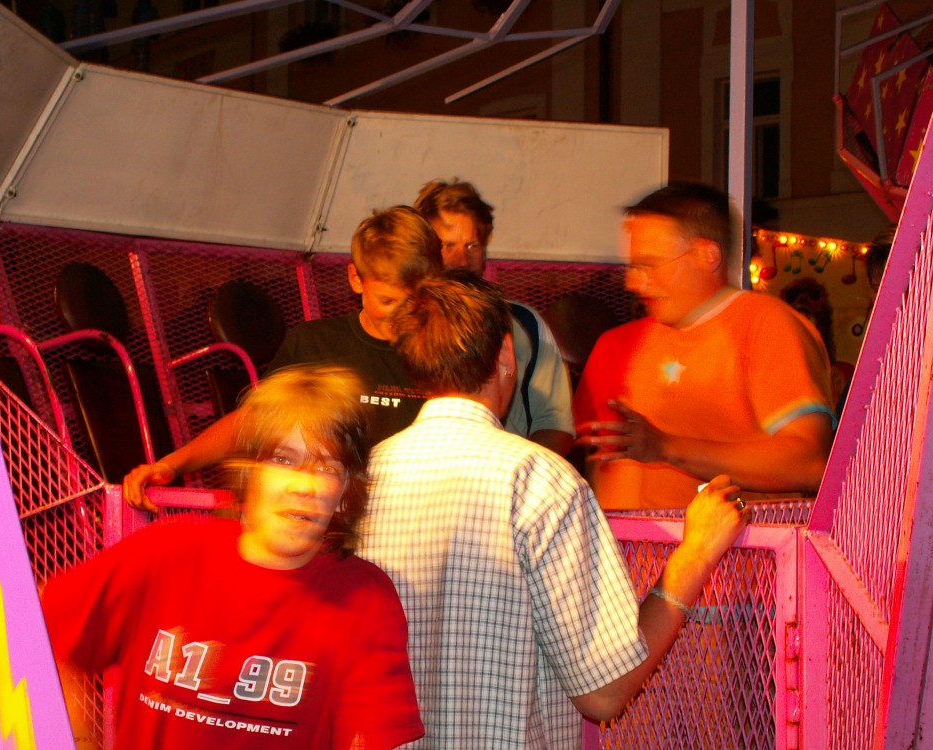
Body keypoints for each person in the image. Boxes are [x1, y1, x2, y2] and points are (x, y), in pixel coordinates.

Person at [358, 272, 749, 747]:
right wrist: (697, 552)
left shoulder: (363, 478)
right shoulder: (539, 479)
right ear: (506, 354)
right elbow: (604, 692)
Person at [42, 365, 424, 750]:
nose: (303, 486)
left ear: (344, 493)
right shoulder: (167, 551)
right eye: (283, 460)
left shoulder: (365, 597)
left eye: (325, 468)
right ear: (249, 474)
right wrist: (76, 740)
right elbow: (39, 629)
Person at [122, 206, 441, 512]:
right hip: (330, 519)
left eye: (416, 300)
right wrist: (171, 465)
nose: (403, 314)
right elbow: (254, 421)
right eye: (388, 301)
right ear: (356, 279)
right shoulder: (315, 343)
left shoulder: (444, 352)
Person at [573, 182, 835, 510]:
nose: (633, 282)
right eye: (632, 266)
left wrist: (667, 447)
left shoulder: (766, 326)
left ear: (706, 255)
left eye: (648, 265)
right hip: (640, 543)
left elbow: (809, 463)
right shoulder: (623, 343)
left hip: (737, 543)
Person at [414, 179, 575, 456]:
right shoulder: (406, 325)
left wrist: (521, 472)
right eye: (447, 245)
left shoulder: (523, 324)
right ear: (424, 250)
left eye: (472, 246)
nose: (462, 260)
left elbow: (555, 422)